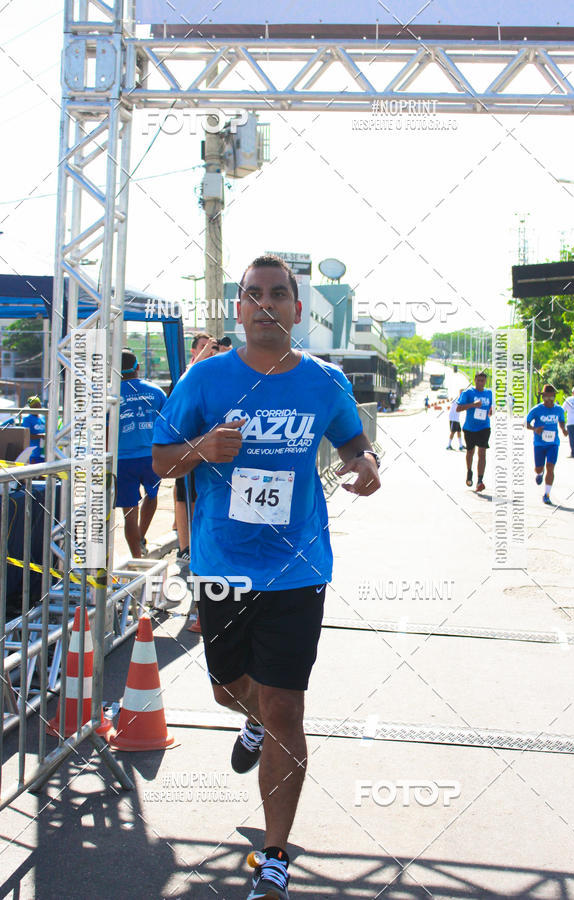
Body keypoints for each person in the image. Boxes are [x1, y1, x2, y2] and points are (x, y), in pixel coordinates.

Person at [153, 254, 381, 900]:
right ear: (238, 308)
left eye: (278, 295)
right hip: (223, 567)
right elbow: (161, 460)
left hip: (297, 567)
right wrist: (201, 450)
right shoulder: (205, 380)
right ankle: (248, 718)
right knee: (232, 691)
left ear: (297, 309)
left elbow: (353, 444)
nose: (265, 305)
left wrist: (364, 466)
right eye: (252, 295)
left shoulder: (324, 382)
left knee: (286, 707)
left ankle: (275, 854)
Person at [116, 350, 166, 558]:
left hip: (122, 460)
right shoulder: (155, 391)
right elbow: (168, 423)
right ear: (137, 367)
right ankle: (141, 537)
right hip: (152, 456)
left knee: (129, 513)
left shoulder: (109, 395)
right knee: (152, 496)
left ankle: (136, 555)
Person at [173, 332, 217, 566]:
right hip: (188, 446)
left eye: (211, 347)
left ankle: (203, 544)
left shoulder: (219, 372)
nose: (209, 350)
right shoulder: (186, 374)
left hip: (214, 449)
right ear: (193, 350)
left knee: (205, 496)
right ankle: (185, 547)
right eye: (203, 346)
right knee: (184, 497)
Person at [526, 383, 568, 505]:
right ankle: (539, 473)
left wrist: (563, 429)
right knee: (538, 468)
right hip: (539, 443)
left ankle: (547, 494)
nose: (549, 400)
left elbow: (561, 421)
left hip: (553, 444)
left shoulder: (559, 409)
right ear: (543, 397)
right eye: (546, 398)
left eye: (551, 398)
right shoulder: (537, 409)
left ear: (555, 397)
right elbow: (526, 423)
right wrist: (535, 429)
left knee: (550, 467)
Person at [456, 372, 494, 492]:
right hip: (470, 428)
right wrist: (473, 405)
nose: (480, 383)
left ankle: (480, 480)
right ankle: (469, 471)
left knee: (482, 452)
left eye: (483, 381)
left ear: (485, 382)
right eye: (478, 380)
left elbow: (491, 407)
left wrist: (491, 411)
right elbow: (458, 408)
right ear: (475, 380)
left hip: (484, 426)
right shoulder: (468, 393)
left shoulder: (489, 393)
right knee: (470, 452)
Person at [21, 395, 46, 462]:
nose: (37, 408)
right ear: (31, 407)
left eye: (38, 405)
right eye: (35, 406)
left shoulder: (43, 418)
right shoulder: (27, 419)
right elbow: (27, 436)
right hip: (33, 454)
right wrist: (42, 435)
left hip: (44, 453)